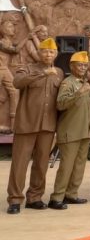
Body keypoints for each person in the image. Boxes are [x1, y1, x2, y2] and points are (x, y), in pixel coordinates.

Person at [6, 37, 63, 214]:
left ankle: (35, 197)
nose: (48, 54)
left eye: (52, 52)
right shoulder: (27, 68)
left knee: (41, 163)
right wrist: (42, 74)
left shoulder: (59, 72)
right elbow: (17, 83)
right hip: (27, 124)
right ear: (39, 53)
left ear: (56, 54)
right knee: (20, 163)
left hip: (47, 126)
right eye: (45, 51)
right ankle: (15, 199)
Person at [48, 51, 90, 210]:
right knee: (66, 167)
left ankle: (71, 194)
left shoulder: (84, 83)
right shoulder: (68, 83)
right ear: (72, 66)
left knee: (79, 166)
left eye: (85, 65)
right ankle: (56, 198)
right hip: (70, 132)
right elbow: (60, 104)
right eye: (80, 65)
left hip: (84, 132)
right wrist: (78, 93)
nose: (83, 68)